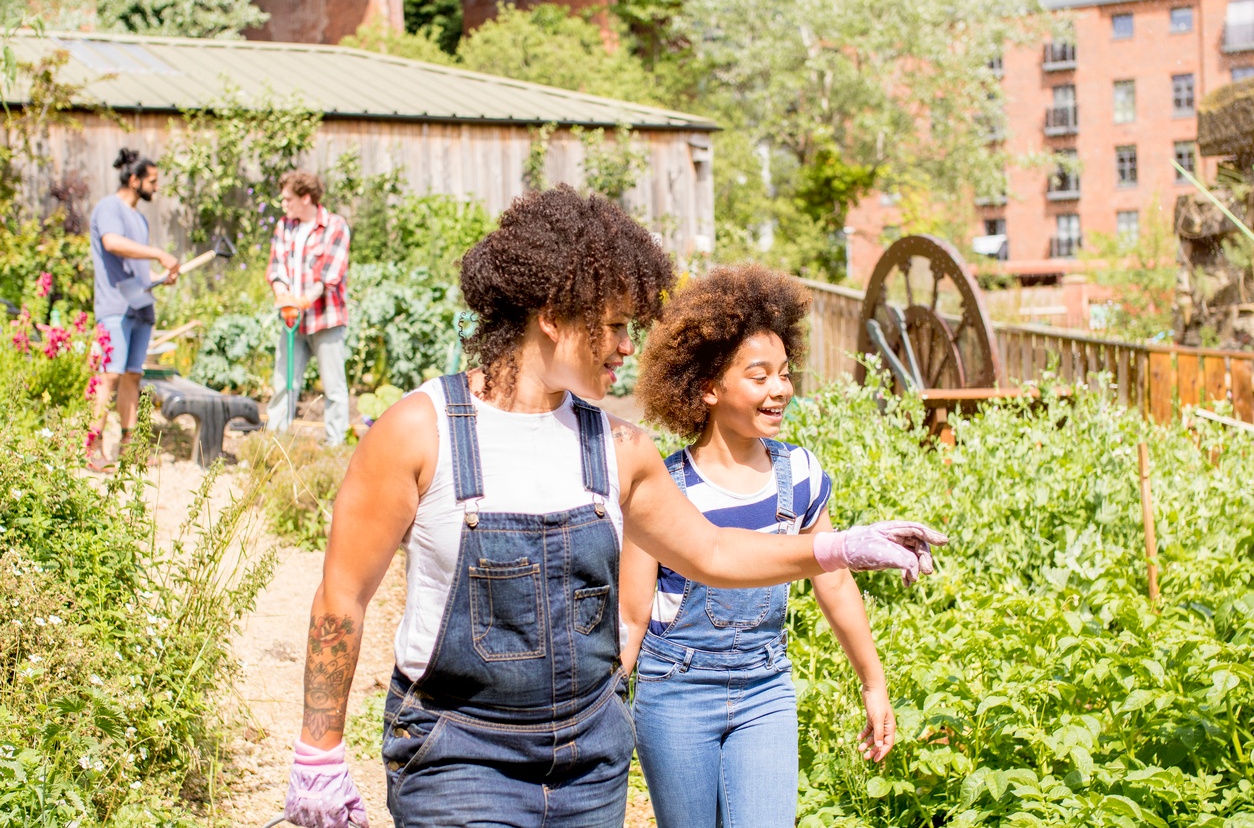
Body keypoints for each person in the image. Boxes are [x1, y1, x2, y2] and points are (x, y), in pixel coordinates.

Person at [281, 186, 946, 828]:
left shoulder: (620, 448)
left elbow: (711, 551)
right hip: (459, 755)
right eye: (614, 327)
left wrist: (838, 546)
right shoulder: (418, 432)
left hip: (587, 763)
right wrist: (319, 748)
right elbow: (343, 595)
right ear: (553, 316)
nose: (630, 347)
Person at [620, 265, 913, 828]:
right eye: (759, 376)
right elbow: (632, 618)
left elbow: (832, 578)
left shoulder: (798, 474)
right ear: (707, 387)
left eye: (784, 373)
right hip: (675, 691)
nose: (780, 388)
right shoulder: (663, 487)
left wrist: (874, 684)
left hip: (766, 685)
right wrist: (604, 711)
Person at [88, 148, 180, 471]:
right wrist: (157, 253)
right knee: (109, 374)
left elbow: (135, 270)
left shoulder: (140, 219)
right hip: (114, 305)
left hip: (140, 306)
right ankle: (91, 446)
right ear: (134, 179)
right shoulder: (108, 208)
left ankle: (129, 447)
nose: (156, 187)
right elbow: (112, 244)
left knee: (132, 376)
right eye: (152, 181)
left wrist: (156, 279)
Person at [266, 169, 351, 446]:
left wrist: (302, 300)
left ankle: (334, 446)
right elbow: (277, 265)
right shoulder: (284, 226)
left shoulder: (335, 226)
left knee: (333, 387)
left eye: (288, 199)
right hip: (293, 321)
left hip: (325, 319)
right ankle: (276, 444)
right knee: (284, 384)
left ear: (306, 198)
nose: (284, 204)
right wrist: (283, 296)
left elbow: (330, 274)